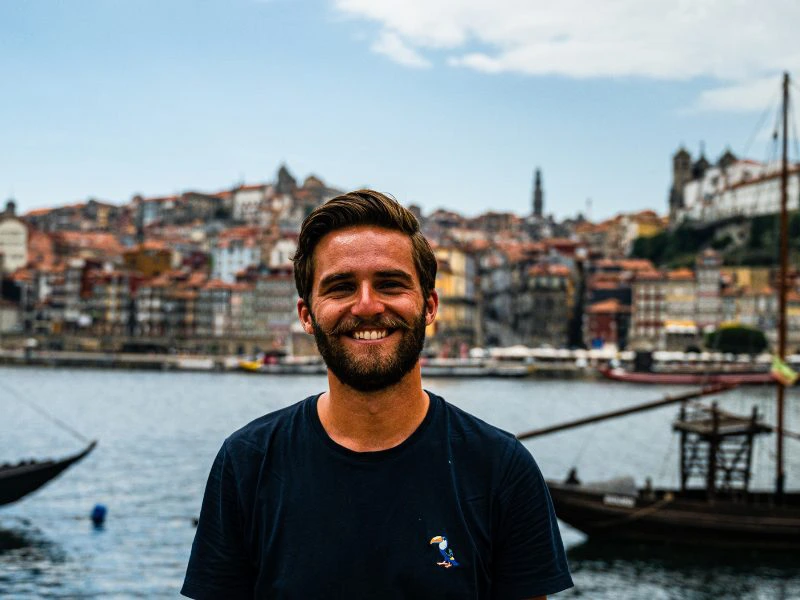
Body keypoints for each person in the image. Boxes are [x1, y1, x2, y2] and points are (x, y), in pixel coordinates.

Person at [181, 190, 573, 599]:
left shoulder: (502, 470)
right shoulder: (247, 463)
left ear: (429, 306)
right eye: (341, 287)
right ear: (307, 316)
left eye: (389, 284)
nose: (367, 306)